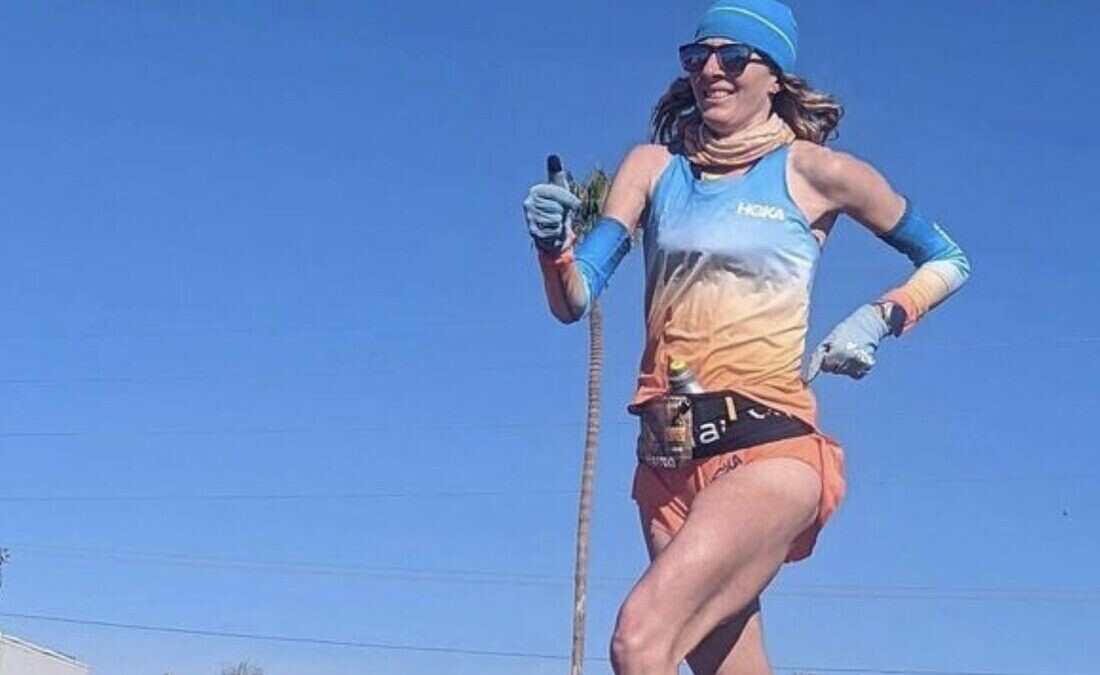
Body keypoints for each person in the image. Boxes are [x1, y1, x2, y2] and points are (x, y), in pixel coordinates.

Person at [522, 0, 970, 672]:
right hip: (665, 463)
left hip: (766, 447)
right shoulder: (651, 168)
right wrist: (554, 249)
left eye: (733, 57)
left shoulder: (817, 172)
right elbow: (574, 299)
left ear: (774, 75)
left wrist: (882, 317)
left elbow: (948, 259)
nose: (711, 71)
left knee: (639, 640)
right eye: (696, 57)